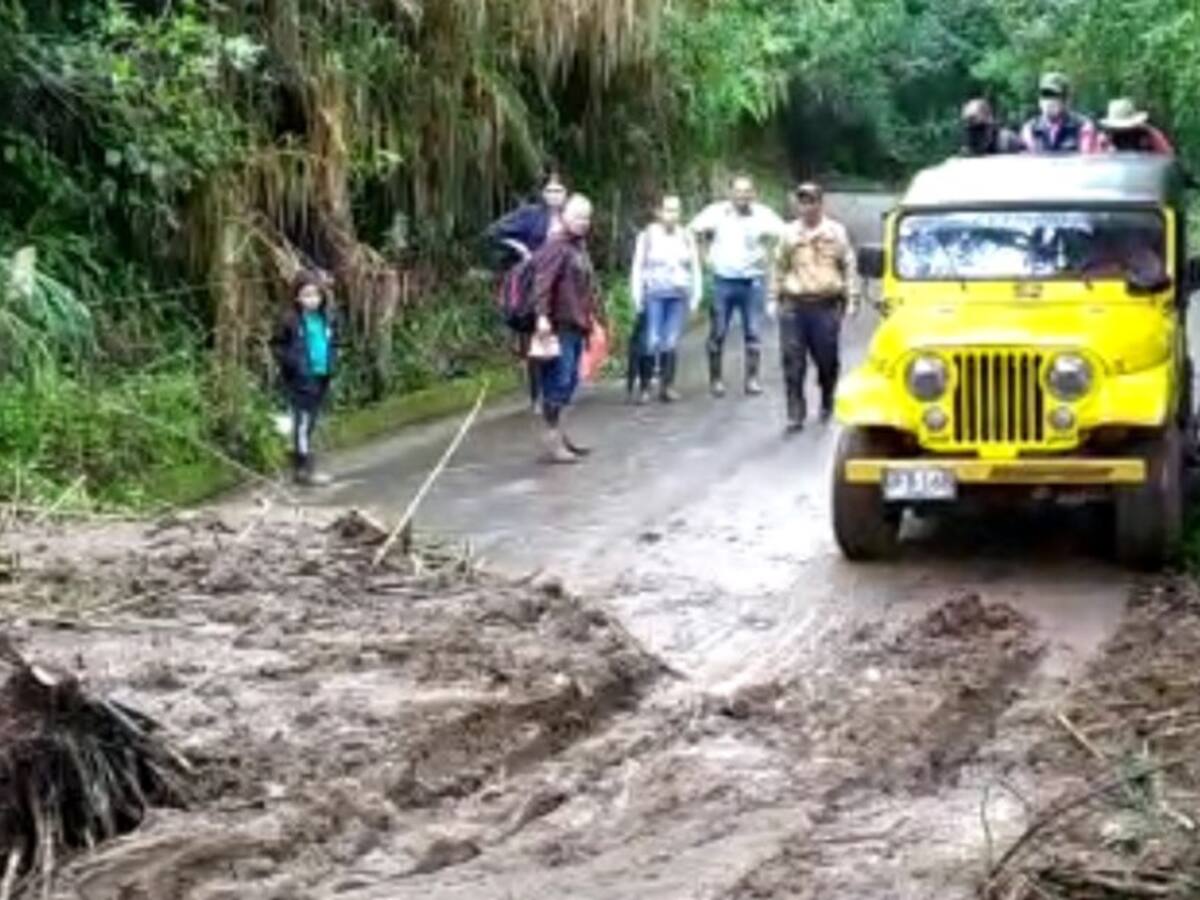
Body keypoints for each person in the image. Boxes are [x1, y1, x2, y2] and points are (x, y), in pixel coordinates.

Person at [769, 183, 862, 431]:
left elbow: (849, 266)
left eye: (811, 201)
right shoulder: (788, 234)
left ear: (821, 204)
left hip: (826, 305)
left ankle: (827, 399)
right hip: (795, 305)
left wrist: (852, 299)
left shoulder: (836, 232)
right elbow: (778, 267)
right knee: (792, 362)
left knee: (827, 360)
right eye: (802, 202)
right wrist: (772, 298)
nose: (807, 207)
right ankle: (795, 412)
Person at [689, 174, 785, 397]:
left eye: (747, 191)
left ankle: (752, 379)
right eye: (738, 191)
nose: (742, 195)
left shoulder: (763, 214)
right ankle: (716, 381)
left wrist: (772, 255)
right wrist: (703, 256)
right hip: (723, 281)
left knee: (753, 332)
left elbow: (785, 234)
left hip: (752, 282)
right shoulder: (716, 212)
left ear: (753, 193)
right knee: (718, 332)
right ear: (730, 193)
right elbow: (692, 230)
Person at [486, 170, 569, 412]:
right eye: (550, 191)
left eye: (559, 191)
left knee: (560, 339)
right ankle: (537, 397)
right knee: (536, 340)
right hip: (535, 285)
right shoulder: (530, 215)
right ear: (543, 193)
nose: (555, 195)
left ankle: (555, 393)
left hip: (564, 288)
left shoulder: (569, 217)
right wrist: (522, 249)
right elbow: (493, 233)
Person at [531, 194, 601, 464]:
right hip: (557, 325)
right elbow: (542, 283)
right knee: (558, 381)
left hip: (575, 324)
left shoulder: (577, 246)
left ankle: (559, 434)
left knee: (570, 381)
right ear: (564, 217)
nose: (583, 222)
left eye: (587, 217)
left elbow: (584, 286)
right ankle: (551, 438)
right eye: (578, 217)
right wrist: (542, 317)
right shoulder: (556, 246)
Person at [629, 195, 703, 403]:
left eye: (676, 210)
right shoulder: (648, 236)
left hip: (678, 295)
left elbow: (695, 267)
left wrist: (696, 296)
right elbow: (637, 267)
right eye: (668, 210)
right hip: (654, 294)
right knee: (651, 340)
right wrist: (637, 297)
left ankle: (666, 386)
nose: (673, 215)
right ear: (659, 212)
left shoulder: (686, 236)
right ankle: (644, 387)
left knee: (670, 341)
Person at [272, 270, 337, 486]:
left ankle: (302, 465)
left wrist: (333, 360)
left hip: (321, 376)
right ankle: (304, 471)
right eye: (307, 295)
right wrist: (294, 366)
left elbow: (334, 343)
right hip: (301, 381)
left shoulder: (326, 318)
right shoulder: (290, 320)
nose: (312, 300)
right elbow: (277, 346)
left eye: (316, 295)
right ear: (297, 297)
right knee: (302, 424)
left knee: (310, 424)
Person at [1020, 72, 1099, 154]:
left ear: (1066, 100)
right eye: (1045, 95)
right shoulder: (1030, 129)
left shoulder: (1083, 127)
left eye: (1054, 96)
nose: (1048, 101)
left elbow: (1087, 160)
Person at [1098, 97, 1174, 155]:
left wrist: (1151, 133)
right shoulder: (1105, 140)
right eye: (1119, 129)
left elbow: (1168, 156)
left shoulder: (1148, 135)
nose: (1124, 131)